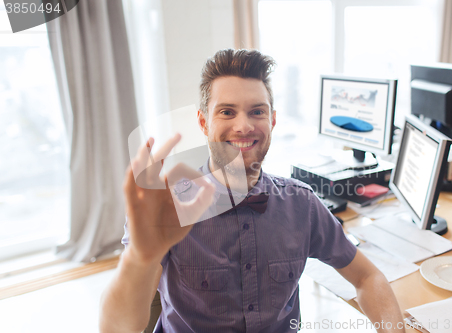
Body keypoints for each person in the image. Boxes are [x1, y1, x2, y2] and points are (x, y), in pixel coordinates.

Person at [99, 49, 405, 333]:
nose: (244, 126)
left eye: (257, 112)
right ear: (204, 122)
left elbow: (368, 277)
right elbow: (118, 327)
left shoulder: (302, 204)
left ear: (272, 120)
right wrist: (139, 258)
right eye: (227, 112)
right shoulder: (169, 208)